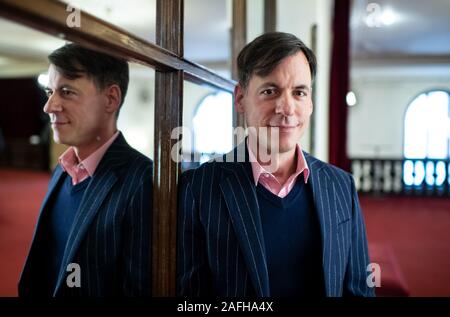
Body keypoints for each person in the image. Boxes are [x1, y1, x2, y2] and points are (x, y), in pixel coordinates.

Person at [177, 32, 374, 297]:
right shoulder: (198, 189)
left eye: (299, 92)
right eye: (270, 91)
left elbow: (359, 290)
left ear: (311, 101)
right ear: (240, 99)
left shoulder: (340, 186)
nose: (287, 108)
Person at [18, 44, 152, 296]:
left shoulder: (144, 181)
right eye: (50, 91)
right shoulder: (63, 170)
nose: (49, 106)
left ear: (111, 99)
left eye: (66, 92)